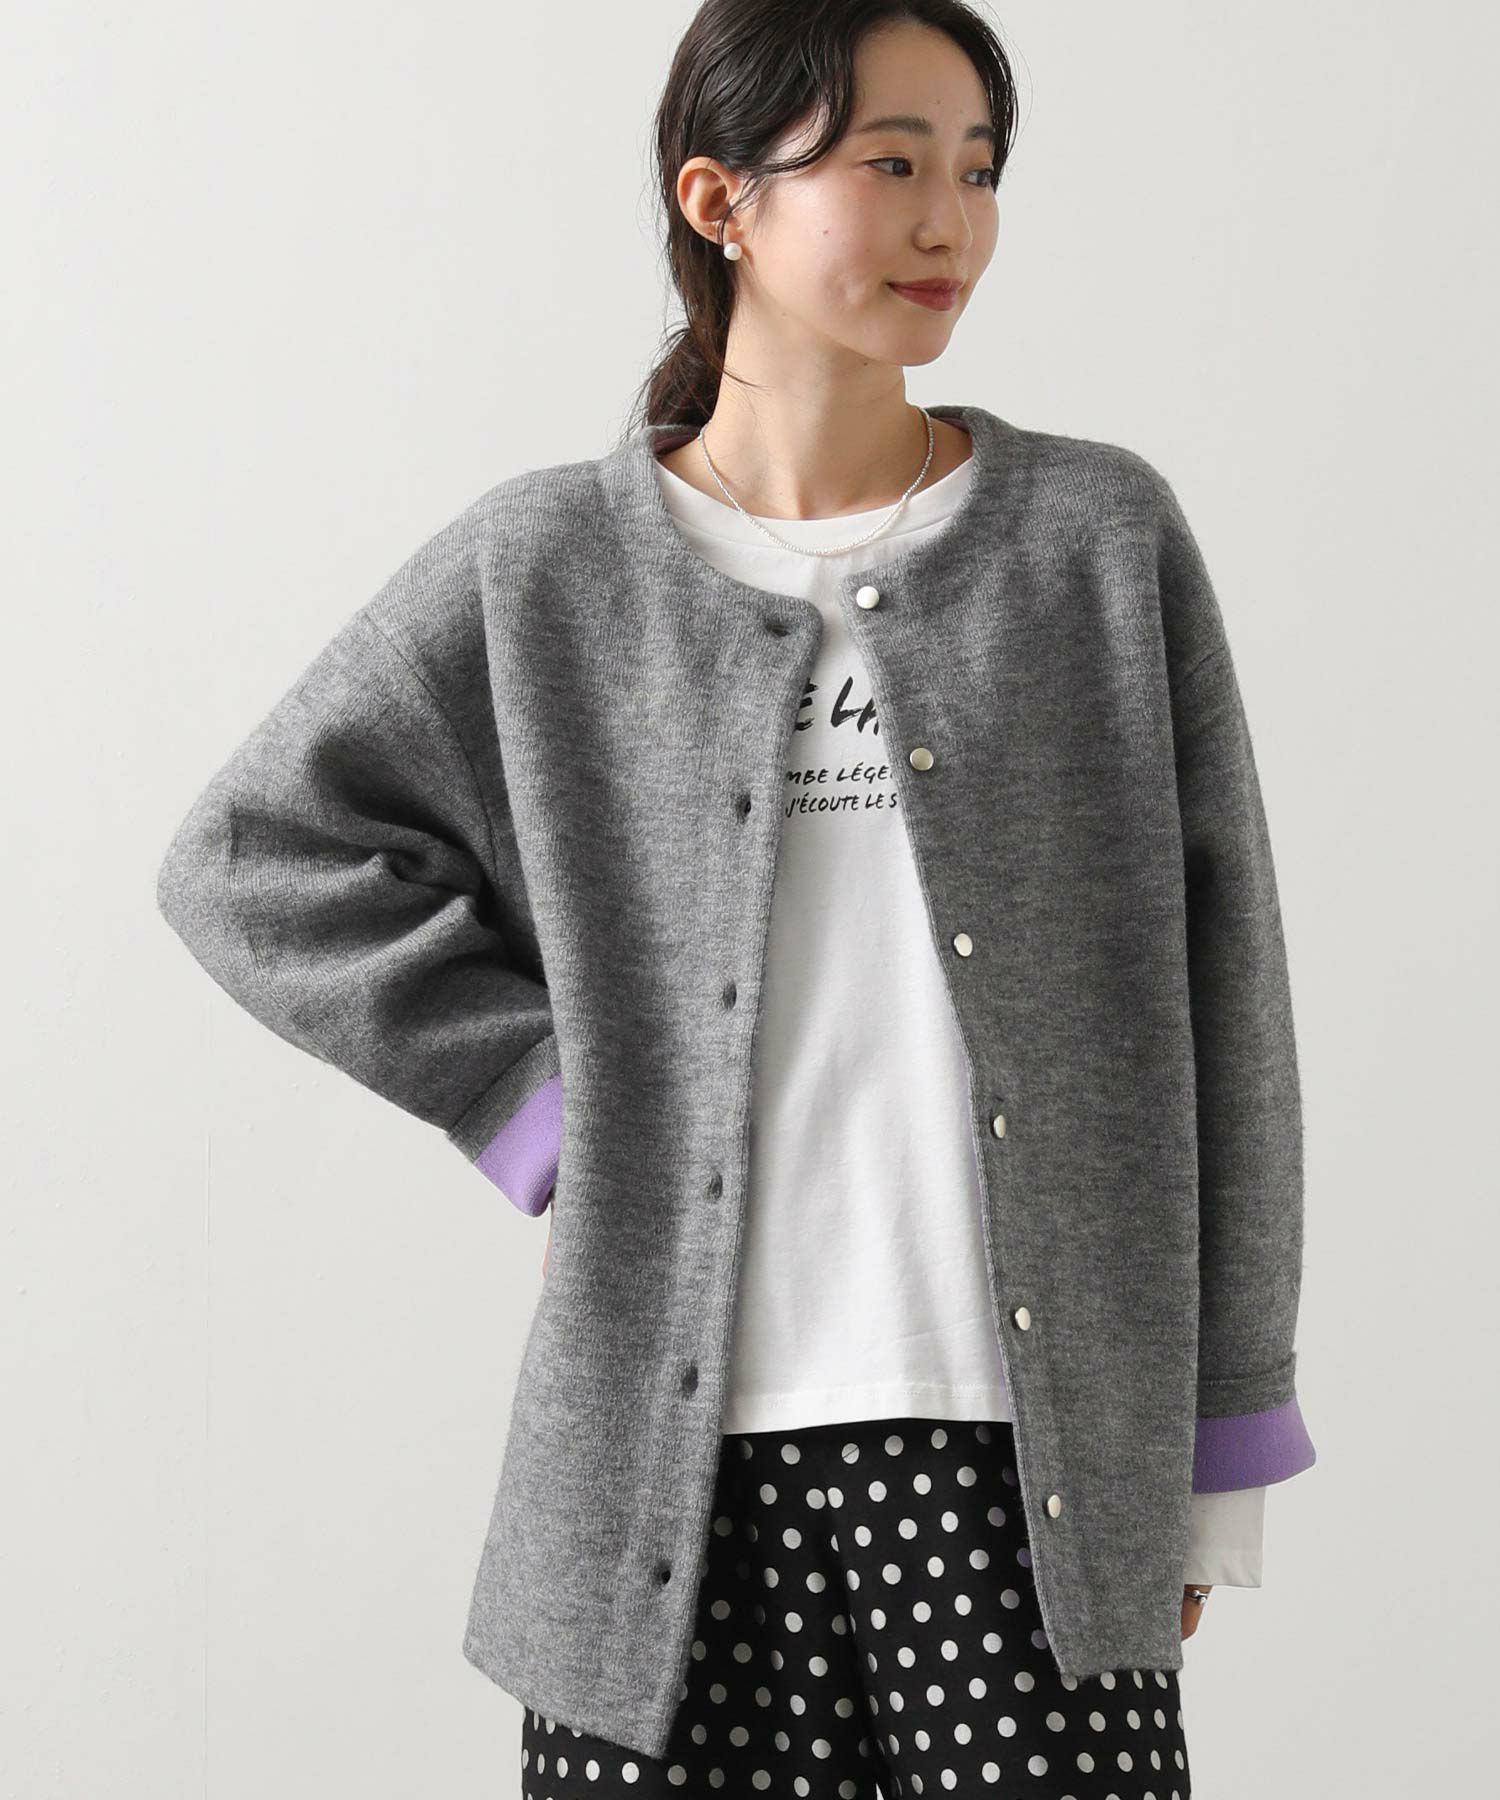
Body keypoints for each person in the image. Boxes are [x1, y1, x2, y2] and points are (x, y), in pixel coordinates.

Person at [156, 3, 1316, 1795]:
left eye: (979, 170)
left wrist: (1220, 1449)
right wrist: (533, 1095)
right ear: (721, 201)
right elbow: (251, 856)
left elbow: (1228, 1002)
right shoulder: (549, 567)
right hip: (661, 1482)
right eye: (892, 163)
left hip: (1033, 1460)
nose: (949, 220)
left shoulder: (1096, 540)